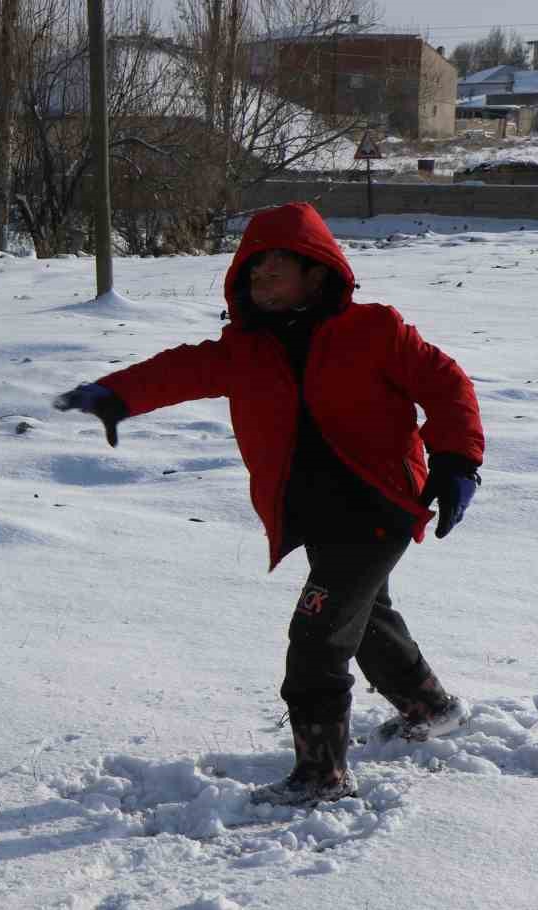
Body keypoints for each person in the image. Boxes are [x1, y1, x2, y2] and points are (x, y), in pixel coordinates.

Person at [55, 202, 484, 807]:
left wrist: (457, 462)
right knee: (362, 620)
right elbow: (180, 370)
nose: (260, 284)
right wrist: (115, 395)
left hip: (378, 509)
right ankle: (431, 707)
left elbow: (447, 386)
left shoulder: (375, 331)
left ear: (315, 271)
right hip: (318, 517)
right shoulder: (246, 348)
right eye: (252, 275)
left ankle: (323, 777)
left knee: (317, 639)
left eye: (274, 271)